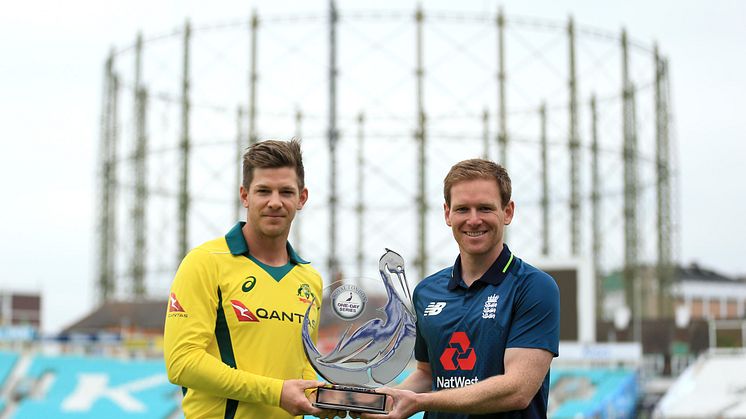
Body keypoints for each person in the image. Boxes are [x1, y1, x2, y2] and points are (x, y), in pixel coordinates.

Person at [367, 159, 560, 419]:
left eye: (485, 208)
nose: (473, 220)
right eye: (462, 209)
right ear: (447, 214)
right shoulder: (426, 291)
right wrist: (384, 400)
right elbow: (427, 374)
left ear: (508, 212)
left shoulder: (534, 287)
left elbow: (517, 390)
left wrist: (419, 401)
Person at [163, 138, 343, 419]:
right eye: (263, 191)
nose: (275, 202)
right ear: (245, 195)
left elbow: (302, 368)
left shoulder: (310, 279)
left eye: (286, 191)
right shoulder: (205, 262)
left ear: (302, 198)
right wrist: (275, 392)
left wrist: (330, 397)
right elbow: (182, 363)